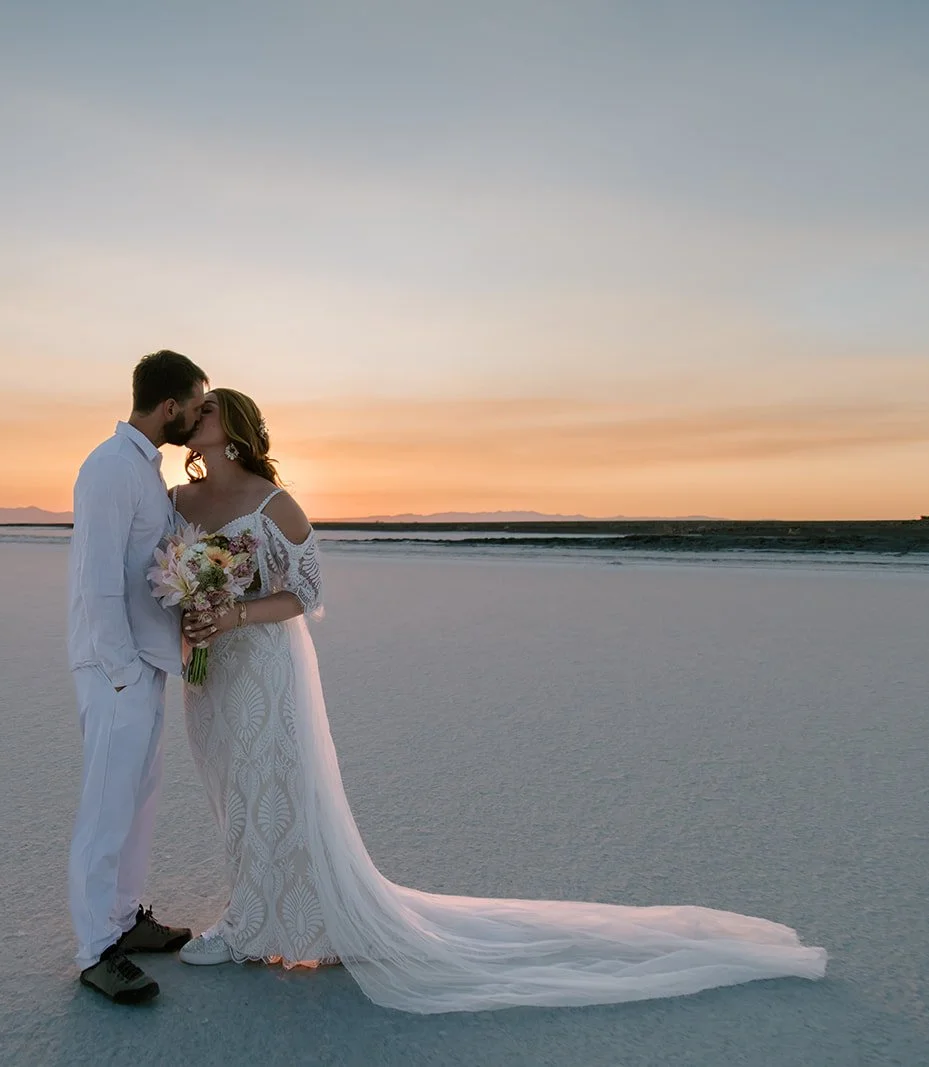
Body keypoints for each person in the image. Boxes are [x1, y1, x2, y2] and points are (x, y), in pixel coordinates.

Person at [173, 387, 828, 1014]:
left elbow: (307, 592)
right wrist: (189, 611)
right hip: (210, 668)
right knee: (229, 783)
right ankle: (254, 907)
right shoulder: (179, 499)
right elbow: (160, 571)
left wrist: (233, 614)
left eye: (208, 409)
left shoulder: (274, 503)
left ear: (235, 429)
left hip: (263, 666)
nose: (195, 416)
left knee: (273, 783)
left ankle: (258, 922)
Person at [66, 350, 207, 1004]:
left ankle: (124, 918)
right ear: (169, 405)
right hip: (114, 668)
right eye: (195, 405)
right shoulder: (108, 468)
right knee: (105, 806)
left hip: (146, 664)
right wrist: (121, 670)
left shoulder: (146, 469)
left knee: (139, 799)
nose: (198, 417)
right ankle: (96, 949)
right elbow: (96, 581)